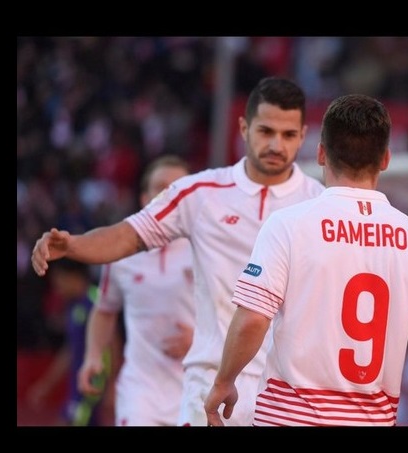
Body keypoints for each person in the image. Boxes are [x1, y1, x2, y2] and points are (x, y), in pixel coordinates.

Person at [31, 76, 325, 426]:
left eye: (288, 135)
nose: (276, 144)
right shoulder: (201, 193)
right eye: (266, 131)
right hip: (208, 382)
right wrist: (74, 245)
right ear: (244, 128)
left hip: (284, 391)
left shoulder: (319, 204)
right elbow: (128, 235)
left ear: (304, 136)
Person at [203, 94, 408, 427]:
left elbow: (253, 319)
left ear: (319, 153)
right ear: (385, 159)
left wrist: (223, 382)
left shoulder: (289, 225)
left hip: (288, 419)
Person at [77, 155, 195, 426]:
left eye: (178, 189)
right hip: (140, 390)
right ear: (144, 198)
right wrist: (93, 356)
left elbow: (240, 313)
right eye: (161, 187)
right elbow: (105, 310)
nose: (168, 196)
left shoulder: (209, 250)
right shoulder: (121, 255)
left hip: (196, 389)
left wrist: (201, 340)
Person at [26, 258, 117, 426]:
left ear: (73, 276)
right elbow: (70, 350)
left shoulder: (95, 301)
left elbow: (113, 343)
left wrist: (112, 384)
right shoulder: (73, 306)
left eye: (59, 279)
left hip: (93, 385)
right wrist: (46, 385)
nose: (57, 287)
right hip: (77, 386)